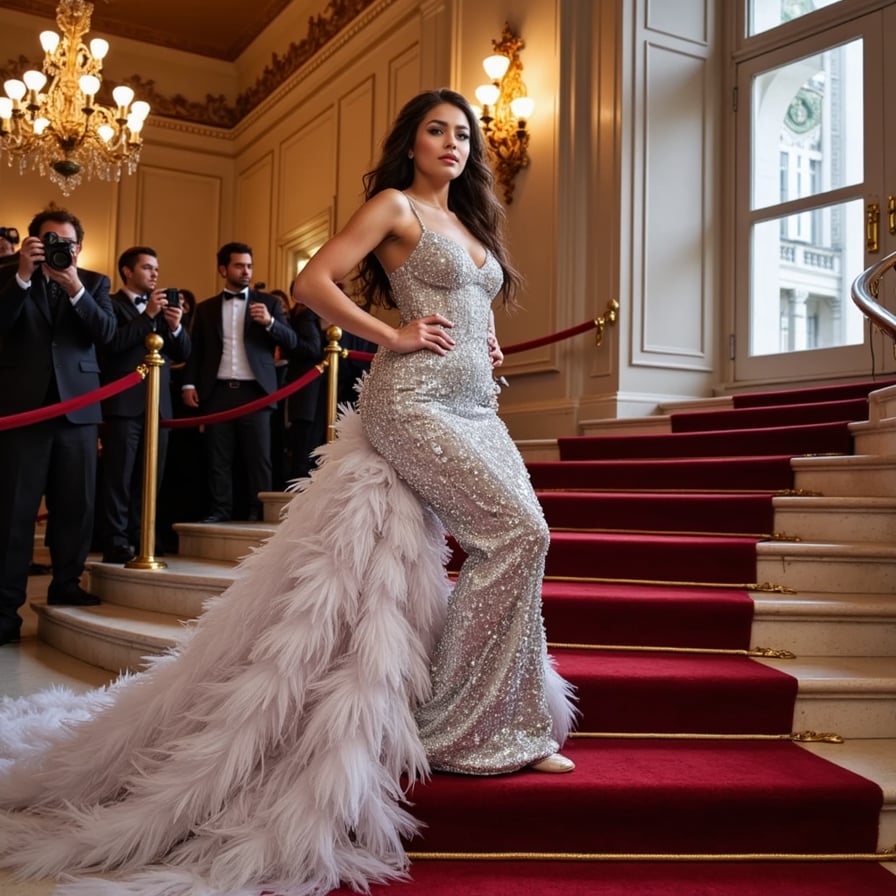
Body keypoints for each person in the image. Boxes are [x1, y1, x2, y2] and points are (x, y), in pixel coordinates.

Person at [0, 90, 574, 895]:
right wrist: (393, 333)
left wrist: (487, 348)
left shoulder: (473, 225)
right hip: (414, 401)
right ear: (411, 142)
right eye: (436, 130)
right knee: (516, 533)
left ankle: (509, 720)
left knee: (525, 537)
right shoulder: (395, 205)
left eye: (463, 133)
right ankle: (457, 726)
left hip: (478, 405)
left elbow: (470, 304)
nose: (453, 142)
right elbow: (312, 283)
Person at [0, 206, 115, 646]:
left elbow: (106, 335)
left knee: (76, 506)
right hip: (22, 411)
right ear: (34, 242)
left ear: (79, 247)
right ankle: (5, 611)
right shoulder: (9, 275)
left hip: (78, 412)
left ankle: (66, 584)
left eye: (66, 243)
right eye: (50, 241)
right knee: (14, 513)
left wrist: (75, 289)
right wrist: (22, 277)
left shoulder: (95, 283)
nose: (58, 249)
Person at [182, 243, 296, 522]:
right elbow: (196, 351)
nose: (246, 271)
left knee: (259, 458)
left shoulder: (268, 303)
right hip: (217, 391)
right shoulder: (206, 308)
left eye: (249, 266)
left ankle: (260, 513)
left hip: (256, 392)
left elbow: (292, 342)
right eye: (239, 266)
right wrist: (188, 385)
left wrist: (270, 322)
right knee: (218, 457)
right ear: (223, 269)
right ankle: (220, 510)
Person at [97, 247, 191, 563]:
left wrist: (175, 326)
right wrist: (147, 315)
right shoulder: (109, 303)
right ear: (128, 271)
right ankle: (115, 540)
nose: (154, 274)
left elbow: (183, 354)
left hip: (158, 406)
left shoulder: (161, 309)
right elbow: (113, 344)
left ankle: (143, 537)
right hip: (123, 405)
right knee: (118, 477)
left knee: (151, 477)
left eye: (156, 269)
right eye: (147, 268)